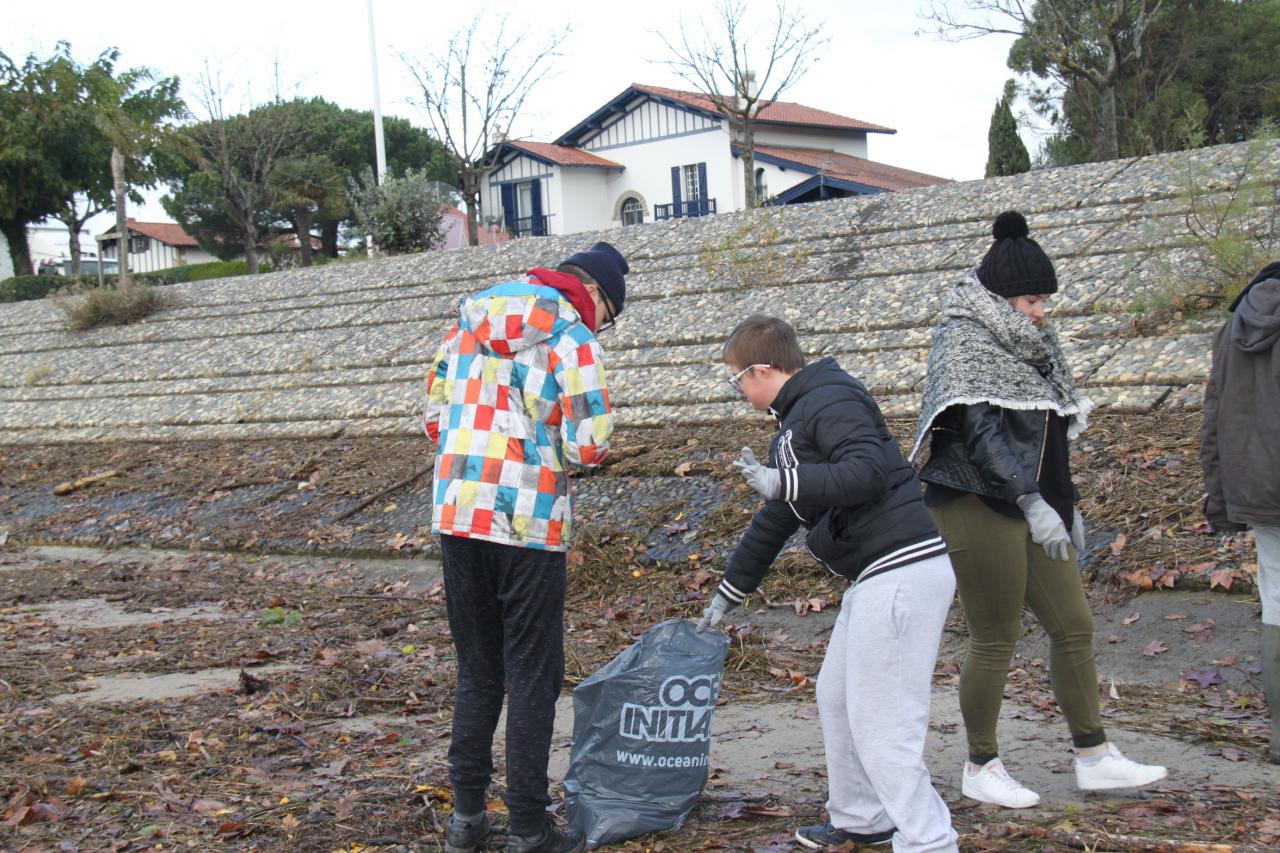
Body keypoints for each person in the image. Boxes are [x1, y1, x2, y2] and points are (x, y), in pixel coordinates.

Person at [911, 210, 1167, 809]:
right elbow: (981, 432)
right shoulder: (963, 338)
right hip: (975, 500)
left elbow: (1049, 436)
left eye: (1044, 300)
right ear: (1002, 297)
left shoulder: (1036, 347)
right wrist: (1029, 499)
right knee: (995, 635)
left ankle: (1095, 756)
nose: (1040, 312)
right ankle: (981, 763)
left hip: (1034, 504)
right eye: (1031, 299)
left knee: (1073, 626)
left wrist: (1064, 504)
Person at [698, 314, 959, 852]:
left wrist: (783, 479)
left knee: (883, 722)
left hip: (902, 571)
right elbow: (778, 517)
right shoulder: (794, 424)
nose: (737, 390)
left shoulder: (833, 398)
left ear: (761, 370)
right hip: (874, 575)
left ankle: (930, 840)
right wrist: (729, 592)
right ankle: (862, 817)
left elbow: (865, 472)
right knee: (837, 698)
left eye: (735, 379)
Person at [423, 242, 628, 853]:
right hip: (529, 520)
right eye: (608, 314)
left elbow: (434, 419)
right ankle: (529, 828)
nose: (602, 326)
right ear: (592, 292)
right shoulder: (570, 337)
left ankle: (465, 820)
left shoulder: (463, 325)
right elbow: (591, 443)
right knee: (533, 673)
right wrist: (547, 457)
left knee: (479, 668)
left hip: (458, 513)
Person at [1200, 260, 1280, 764]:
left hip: (1259, 490)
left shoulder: (1231, 331)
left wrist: (1220, 499)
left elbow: (1213, 419)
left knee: (1276, 602)